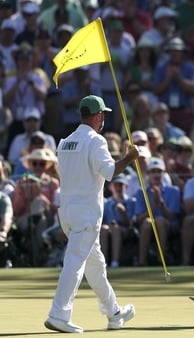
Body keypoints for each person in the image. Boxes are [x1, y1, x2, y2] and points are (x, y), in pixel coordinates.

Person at [45, 95, 138, 333]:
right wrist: (129, 158)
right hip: (86, 214)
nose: (104, 118)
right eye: (103, 114)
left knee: (95, 266)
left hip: (67, 212)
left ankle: (114, 312)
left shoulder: (64, 142)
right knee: (74, 264)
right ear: (98, 116)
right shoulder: (96, 141)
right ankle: (59, 314)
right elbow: (110, 172)